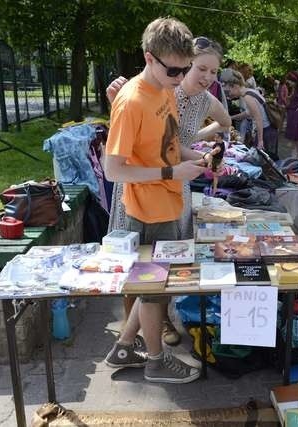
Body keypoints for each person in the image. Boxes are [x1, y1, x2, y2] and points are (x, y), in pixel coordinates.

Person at [103, 17, 217, 383]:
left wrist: (194, 158)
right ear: (148, 58)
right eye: (174, 69)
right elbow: (113, 170)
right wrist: (170, 174)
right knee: (152, 292)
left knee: (157, 288)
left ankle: (127, 347)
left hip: (167, 203)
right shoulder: (131, 100)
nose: (179, 76)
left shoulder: (165, 87)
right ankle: (154, 361)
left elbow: (168, 145)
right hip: (143, 209)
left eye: (184, 69)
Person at [222, 70, 278, 155]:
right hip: (267, 130)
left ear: (235, 86)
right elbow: (248, 113)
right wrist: (231, 118)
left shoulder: (248, 97)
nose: (229, 95)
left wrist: (260, 141)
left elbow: (258, 118)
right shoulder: (250, 92)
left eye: (229, 91)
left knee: (265, 160)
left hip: (266, 131)